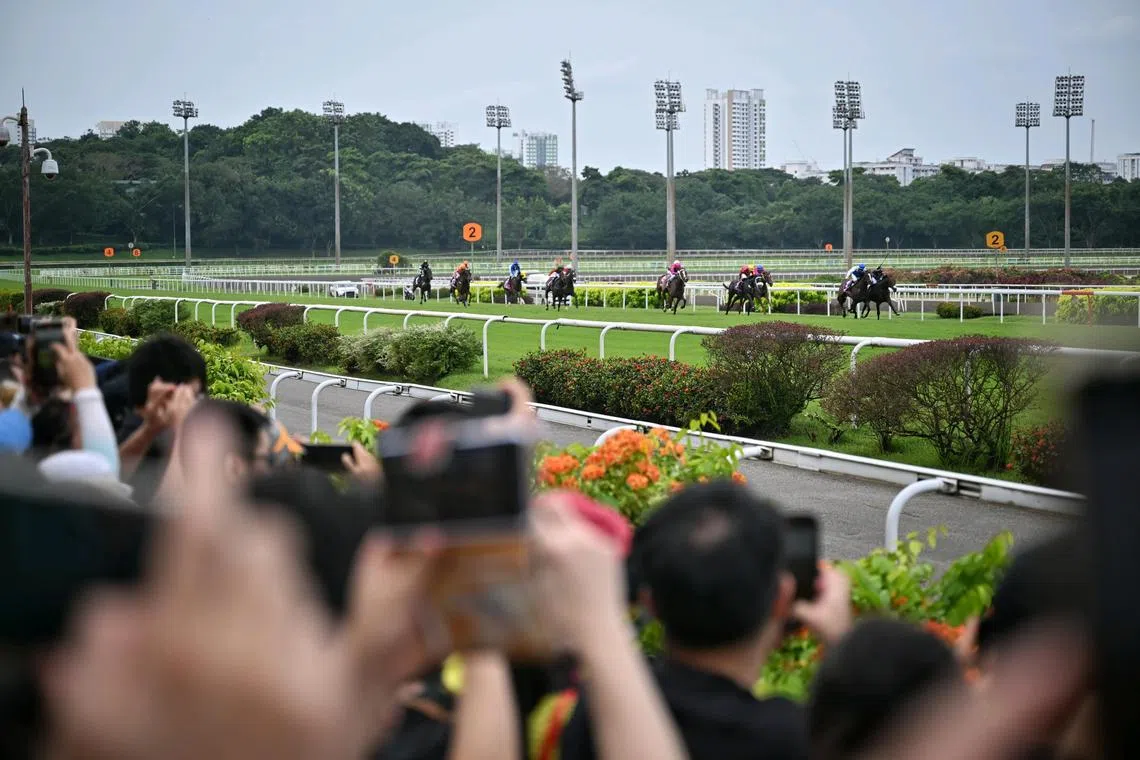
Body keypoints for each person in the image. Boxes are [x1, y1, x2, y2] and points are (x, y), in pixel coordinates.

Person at [559, 481, 848, 760]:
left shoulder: (600, 711)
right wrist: (841, 641)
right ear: (782, 598)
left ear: (651, 602)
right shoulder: (788, 739)